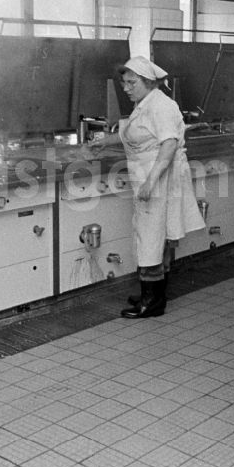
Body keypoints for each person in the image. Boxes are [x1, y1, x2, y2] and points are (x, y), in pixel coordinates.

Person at [87, 56, 205, 319]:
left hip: (159, 179)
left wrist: (151, 182)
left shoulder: (162, 106)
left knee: (151, 237)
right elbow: (131, 133)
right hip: (149, 178)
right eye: (124, 83)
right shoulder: (145, 103)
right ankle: (152, 294)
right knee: (151, 236)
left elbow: (169, 144)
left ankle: (152, 303)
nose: (126, 88)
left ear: (149, 82)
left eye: (132, 83)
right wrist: (103, 142)